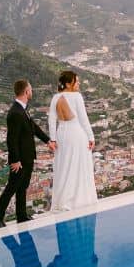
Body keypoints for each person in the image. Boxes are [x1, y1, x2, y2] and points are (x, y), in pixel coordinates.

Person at [0, 80, 55, 227]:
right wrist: (15, 160)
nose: (32, 92)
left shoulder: (22, 110)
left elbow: (33, 127)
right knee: (11, 188)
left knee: (22, 187)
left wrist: (47, 141)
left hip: (27, 157)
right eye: (31, 90)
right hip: (20, 159)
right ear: (26, 92)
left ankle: (21, 216)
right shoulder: (15, 112)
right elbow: (11, 139)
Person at [48, 71, 98, 212]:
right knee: (78, 165)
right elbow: (83, 119)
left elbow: (51, 120)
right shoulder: (76, 97)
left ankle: (64, 200)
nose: (79, 84)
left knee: (64, 166)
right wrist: (91, 137)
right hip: (76, 134)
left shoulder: (55, 98)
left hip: (61, 134)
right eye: (76, 81)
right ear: (69, 83)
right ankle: (78, 201)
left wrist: (53, 139)